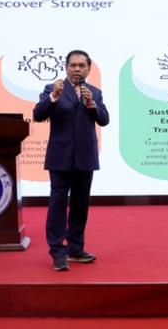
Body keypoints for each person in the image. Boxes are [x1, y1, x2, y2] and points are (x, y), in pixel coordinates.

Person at [33, 49, 110, 271]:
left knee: (80, 204)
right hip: (60, 156)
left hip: (85, 155)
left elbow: (104, 120)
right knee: (58, 204)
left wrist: (92, 105)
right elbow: (38, 115)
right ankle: (58, 251)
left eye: (81, 66)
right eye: (73, 65)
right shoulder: (53, 88)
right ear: (66, 67)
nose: (77, 69)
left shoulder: (94, 92)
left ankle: (75, 248)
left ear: (89, 69)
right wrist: (53, 97)